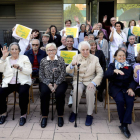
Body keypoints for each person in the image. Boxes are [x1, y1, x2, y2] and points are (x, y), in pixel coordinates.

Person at [66, 41, 103, 126]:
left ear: (90, 49)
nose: (85, 52)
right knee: (76, 90)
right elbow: (68, 70)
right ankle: (74, 112)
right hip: (78, 80)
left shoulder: (95, 58)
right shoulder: (75, 57)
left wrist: (93, 83)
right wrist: (71, 65)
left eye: (87, 49)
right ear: (80, 50)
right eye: (83, 50)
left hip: (90, 80)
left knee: (90, 91)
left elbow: (100, 73)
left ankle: (89, 114)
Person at [105, 49, 137, 138]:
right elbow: (106, 75)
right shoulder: (112, 65)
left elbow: (134, 80)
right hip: (116, 88)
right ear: (115, 57)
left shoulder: (129, 67)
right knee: (121, 101)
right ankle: (124, 125)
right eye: (119, 55)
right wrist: (114, 71)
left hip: (127, 88)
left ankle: (124, 125)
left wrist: (131, 88)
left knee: (130, 101)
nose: (122, 57)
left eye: (123, 55)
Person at [0, 42, 32, 126]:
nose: (14, 51)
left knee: (23, 93)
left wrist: (20, 68)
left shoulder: (24, 58)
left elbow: (29, 71)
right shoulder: (6, 59)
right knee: (0, 93)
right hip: (9, 82)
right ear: (9, 51)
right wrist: (3, 57)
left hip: (22, 82)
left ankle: (23, 115)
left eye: (16, 49)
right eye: (12, 49)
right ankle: (3, 113)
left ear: (19, 50)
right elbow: (1, 70)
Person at [39, 43, 68, 128]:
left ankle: (60, 115)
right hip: (46, 82)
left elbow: (63, 73)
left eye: (53, 50)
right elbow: (41, 75)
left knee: (59, 94)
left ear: (56, 50)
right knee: (44, 93)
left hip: (60, 82)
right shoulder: (43, 60)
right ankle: (44, 116)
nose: (51, 51)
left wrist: (55, 85)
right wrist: (49, 85)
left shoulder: (61, 59)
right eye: (49, 50)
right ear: (46, 51)